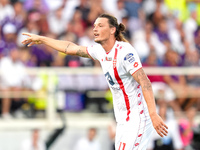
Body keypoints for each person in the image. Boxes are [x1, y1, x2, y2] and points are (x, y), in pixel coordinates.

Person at [22, 13, 168, 150]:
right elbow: (71, 48)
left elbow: (145, 82)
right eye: (94, 26)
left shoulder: (125, 52)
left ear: (112, 30)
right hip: (123, 121)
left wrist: (153, 114)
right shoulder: (99, 51)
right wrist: (42, 39)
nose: (95, 29)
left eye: (100, 25)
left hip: (138, 117)